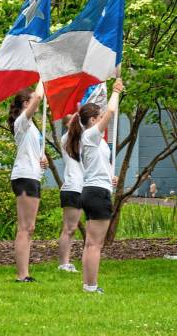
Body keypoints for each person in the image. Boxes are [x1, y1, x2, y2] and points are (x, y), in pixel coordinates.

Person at [79, 78, 123, 294]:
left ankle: (87, 284)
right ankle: (92, 286)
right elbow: (111, 112)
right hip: (96, 193)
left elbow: (98, 165)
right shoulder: (91, 134)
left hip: (93, 189)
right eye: (100, 115)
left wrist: (109, 178)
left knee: (90, 242)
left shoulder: (90, 140)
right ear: (94, 119)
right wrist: (115, 91)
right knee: (96, 244)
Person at [8, 81, 48, 282]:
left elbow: (31, 148)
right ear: (25, 103)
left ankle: (25, 273)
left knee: (29, 227)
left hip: (33, 176)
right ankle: (21, 275)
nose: (37, 103)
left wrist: (41, 158)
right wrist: (43, 77)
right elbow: (39, 97)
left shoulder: (31, 126)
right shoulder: (22, 122)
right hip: (24, 176)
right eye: (32, 100)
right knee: (24, 227)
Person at [58, 114, 84, 273]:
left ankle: (66, 262)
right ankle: (63, 263)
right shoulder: (66, 139)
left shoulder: (82, 140)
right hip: (72, 187)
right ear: (68, 124)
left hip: (83, 187)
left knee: (72, 228)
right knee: (69, 228)